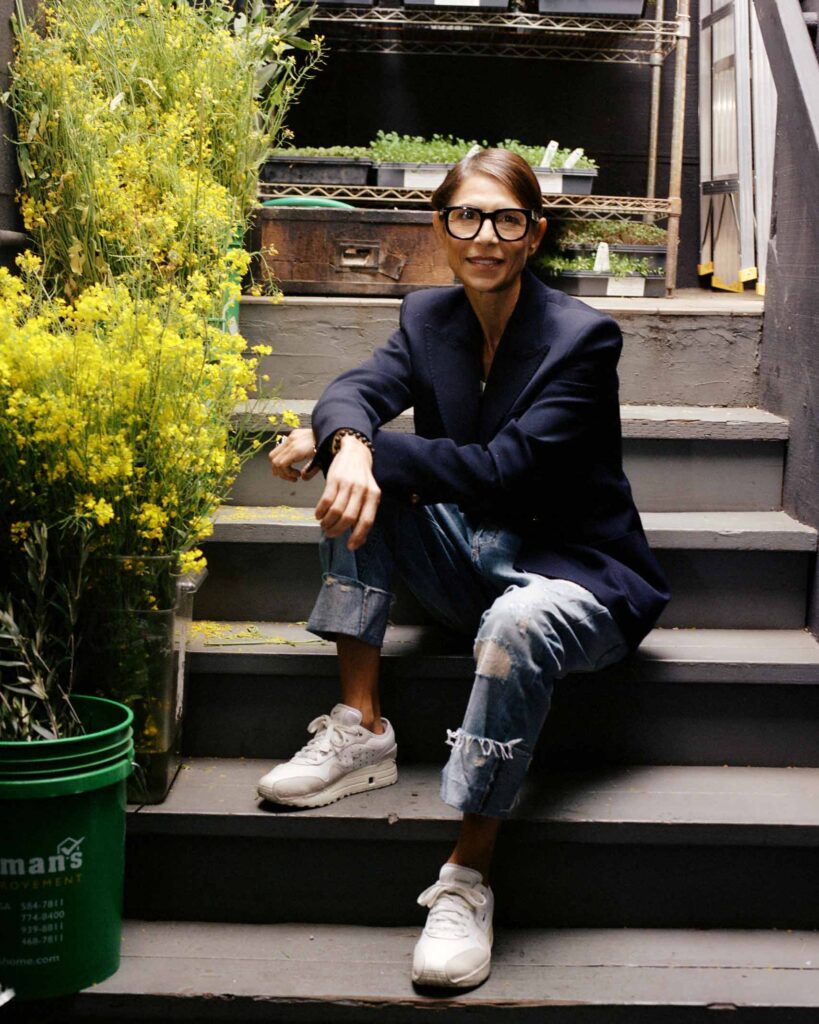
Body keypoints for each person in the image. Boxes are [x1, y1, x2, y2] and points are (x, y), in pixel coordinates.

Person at [259, 148, 670, 990]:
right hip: (473, 564)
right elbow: (353, 390)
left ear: (533, 235)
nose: (484, 236)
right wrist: (349, 443)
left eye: (506, 220)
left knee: (508, 615)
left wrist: (357, 447)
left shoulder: (581, 339)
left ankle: (467, 875)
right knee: (356, 482)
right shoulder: (427, 318)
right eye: (466, 217)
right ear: (440, 228)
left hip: (573, 581)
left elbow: (500, 472)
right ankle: (362, 726)